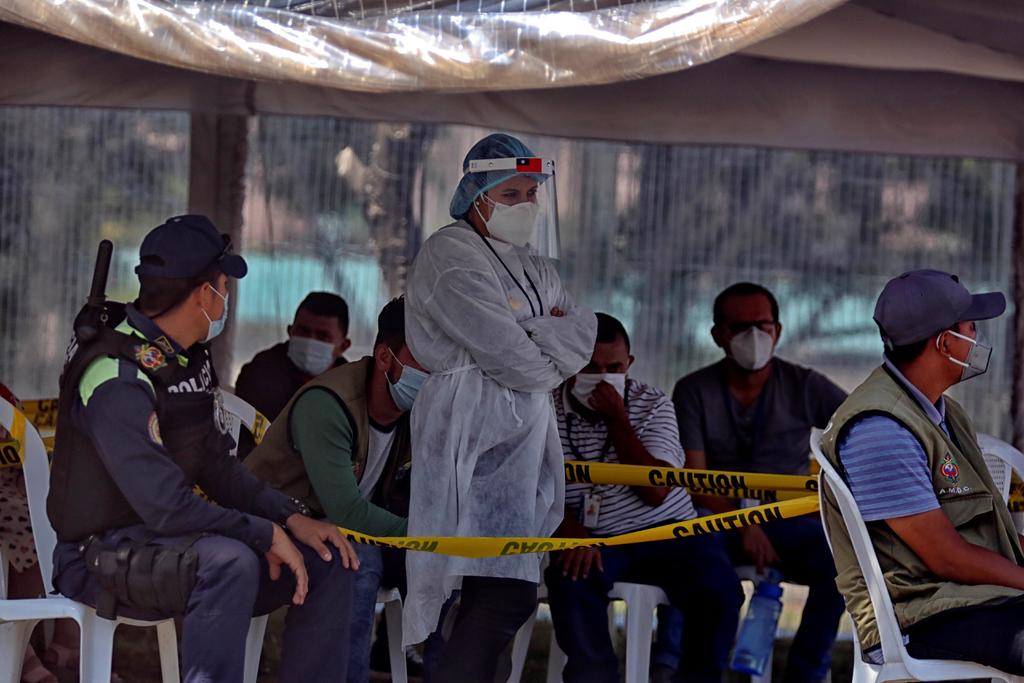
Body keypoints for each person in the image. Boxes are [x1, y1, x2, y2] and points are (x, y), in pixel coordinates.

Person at [48, 215, 360, 683]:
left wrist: (290, 518)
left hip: (169, 542)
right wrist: (263, 533)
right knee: (229, 561)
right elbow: (165, 506)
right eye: (224, 286)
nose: (226, 298)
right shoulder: (116, 374)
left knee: (329, 555)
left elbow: (216, 464)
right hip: (99, 555)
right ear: (203, 293)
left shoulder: (183, 355)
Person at [403, 133, 597, 680]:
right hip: (468, 432)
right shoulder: (451, 254)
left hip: (525, 440)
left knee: (504, 595)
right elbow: (518, 361)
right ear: (476, 195)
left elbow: (584, 329)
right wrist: (544, 343)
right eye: (510, 194)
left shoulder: (532, 263)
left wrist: (534, 339)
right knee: (491, 594)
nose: (525, 205)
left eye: (531, 193)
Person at [821, 269, 1024, 673]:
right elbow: (947, 558)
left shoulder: (939, 412)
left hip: (964, 596)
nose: (978, 338)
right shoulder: (880, 429)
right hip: (920, 615)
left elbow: (984, 533)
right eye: (971, 327)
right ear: (945, 343)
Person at [663, 282, 848, 683]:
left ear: (777, 332)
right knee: (697, 569)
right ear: (718, 335)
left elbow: (862, 427)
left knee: (842, 563)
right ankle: (682, 669)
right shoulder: (694, 390)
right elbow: (694, 481)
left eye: (762, 326)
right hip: (714, 518)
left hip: (787, 520)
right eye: (739, 327)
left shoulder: (805, 385)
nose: (754, 336)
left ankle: (807, 674)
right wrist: (745, 522)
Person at [545, 313, 742, 683]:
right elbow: (532, 487)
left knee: (719, 589)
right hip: (593, 540)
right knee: (570, 579)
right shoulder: (544, 408)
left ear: (629, 364)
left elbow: (655, 491)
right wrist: (570, 533)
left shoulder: (652, 404)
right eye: (590, 367)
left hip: (667, 531)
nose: (602, 377)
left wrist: (618, 420)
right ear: (570, 363)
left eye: (614, 368)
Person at [246, 297, 428, 682]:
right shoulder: (328, 403)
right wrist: (430, 536)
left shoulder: (420, 410)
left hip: (346, 531)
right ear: (385, 357)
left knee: (459, 571)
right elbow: (349, 513)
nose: (436, 373)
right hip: (271, 526)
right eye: (425, 361)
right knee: (356, 556)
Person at [1, 382, 86, 683]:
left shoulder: (3, 396)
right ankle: (19, 652)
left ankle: (34, 644)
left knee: (46, 522)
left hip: (12, 490)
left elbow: (25, 437)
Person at [235, 291, 351, 422]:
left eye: (323, 336)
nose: (310, 341)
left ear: (343, 346)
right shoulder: (260, 372)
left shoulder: (355, 388)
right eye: (303, 331)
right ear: (290, 331)